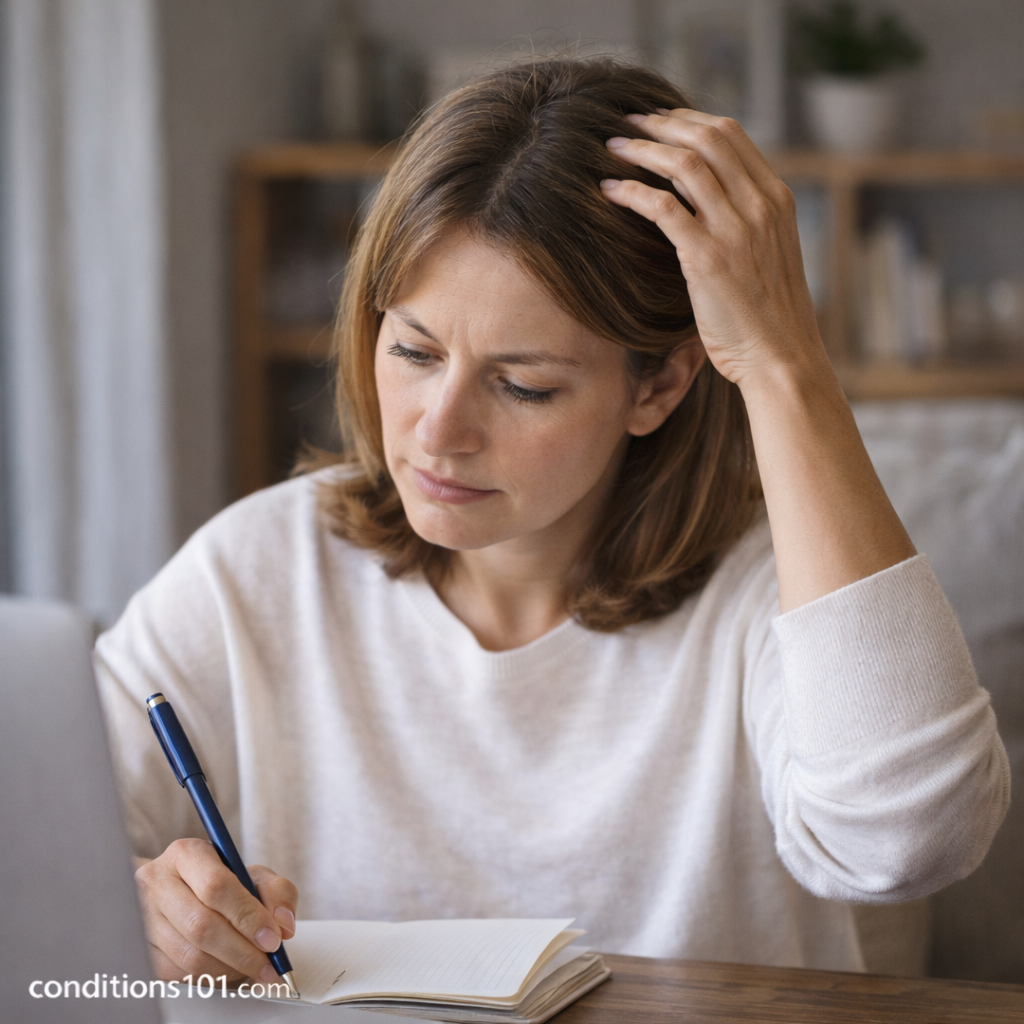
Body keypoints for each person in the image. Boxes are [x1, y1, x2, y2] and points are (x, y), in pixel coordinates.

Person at [95, 57, 1009, 988]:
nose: (438, 431)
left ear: (658, 385)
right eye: (413, 349)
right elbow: (34, 842)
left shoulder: (777, 597)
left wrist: (783, 364)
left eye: (523, 384)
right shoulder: (259, 568)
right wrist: (138, 901)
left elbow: (912, 840)